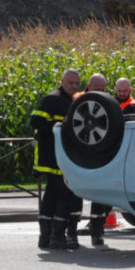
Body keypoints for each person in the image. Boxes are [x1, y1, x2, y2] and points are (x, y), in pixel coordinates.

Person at [30, 69, 83, 250]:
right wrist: (59, 125)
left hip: (62, 157)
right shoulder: (52, 99)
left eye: (77, 83)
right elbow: (35, 121)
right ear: (62, 81)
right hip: (51, 157)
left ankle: (47, 238)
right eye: (71, 83)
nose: (74, 86)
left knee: (52, 196)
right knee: (64, 196)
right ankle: (56, 236)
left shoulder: (73, 101)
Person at [87, 77, 135, 246]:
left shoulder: (132, 107)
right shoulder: (111, 103)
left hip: (119, 154)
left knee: (107, 195)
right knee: (102, 195)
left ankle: (97, 225)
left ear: (130, 90)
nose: (122, 94)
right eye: (119, 91)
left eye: (125, 91)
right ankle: (96, 226)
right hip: (109, 153)